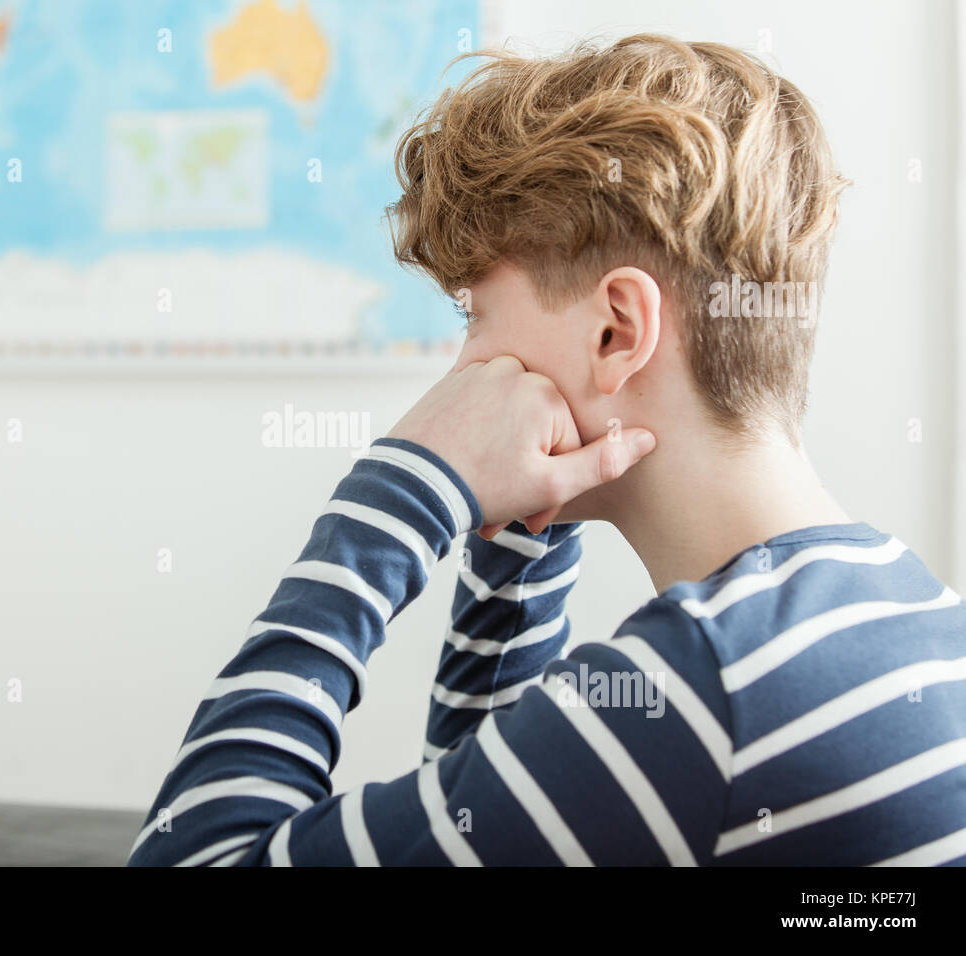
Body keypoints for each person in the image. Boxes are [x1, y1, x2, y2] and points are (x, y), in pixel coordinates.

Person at [126, 34, 966, 866]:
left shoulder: (700, 697)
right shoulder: (911, 613)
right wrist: (527, 523)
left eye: (476, 321)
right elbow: (485, 814)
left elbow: (196, 857)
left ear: (617, 331)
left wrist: (400, 491)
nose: (460, 375)